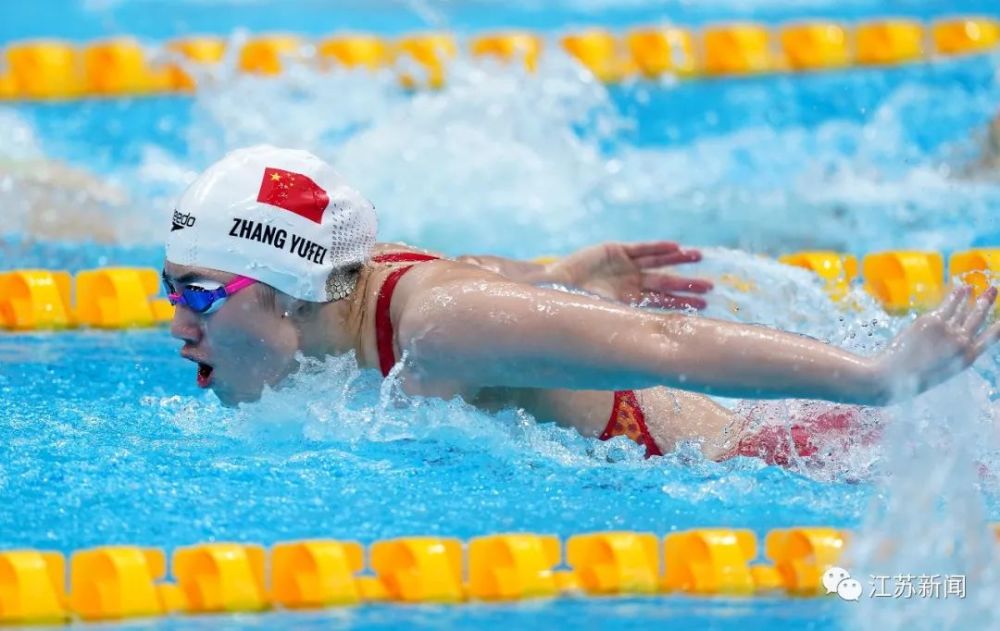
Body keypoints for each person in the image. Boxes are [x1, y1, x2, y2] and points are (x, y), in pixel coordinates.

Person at [163, 146, 1000, 465]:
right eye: (172, 288)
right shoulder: (361, 286)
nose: (179, 323)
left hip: (791, 452)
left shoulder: (439, 327)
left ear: (295, 287)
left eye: (201, 292)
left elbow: (671, 342)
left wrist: (874, 375)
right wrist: (550, 284)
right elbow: (477, 275)